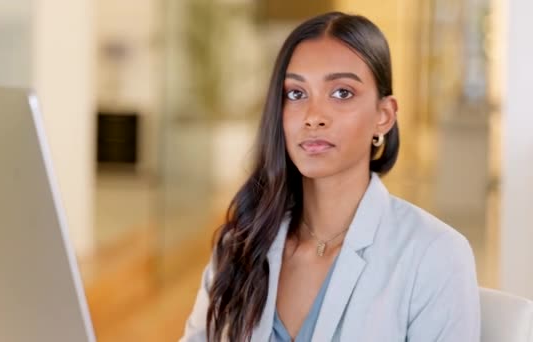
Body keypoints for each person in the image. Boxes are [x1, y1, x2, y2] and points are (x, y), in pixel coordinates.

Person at [179, 11, 480, 342]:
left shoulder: (434, 254)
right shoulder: (242, 243)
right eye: (296, 94)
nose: (313, 117)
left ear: (384, 115)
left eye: (342, 93)